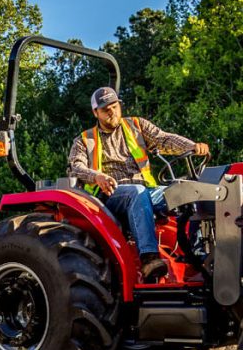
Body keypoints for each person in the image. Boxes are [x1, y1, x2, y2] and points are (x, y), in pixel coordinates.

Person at [68, 86, 209, 281]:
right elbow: (75, 167)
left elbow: (164, 139)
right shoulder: (85, 140)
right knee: (137, 191)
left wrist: (192, 146)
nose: (111, 111)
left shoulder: (136, 125)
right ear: (95, 112)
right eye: (105, 109)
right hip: (110, 197)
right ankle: (149, 259)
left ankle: (198, 257)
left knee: (190, 191)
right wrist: (96, 176)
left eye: (114, 106)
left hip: (147, 192)